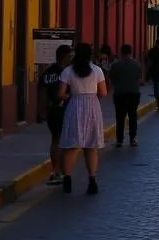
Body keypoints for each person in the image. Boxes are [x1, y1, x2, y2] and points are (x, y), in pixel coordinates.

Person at [57, 42, 107, 194]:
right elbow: (104, 93)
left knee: (71, 146)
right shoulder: (97, 70)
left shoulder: (68, 71)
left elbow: (60, 94)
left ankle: (67, 180)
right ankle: (92, 180)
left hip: (75, 105)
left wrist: (70, 96)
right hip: (92, 106)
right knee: (91, 146)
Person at [38, 44, 71, 185]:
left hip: (52, 110)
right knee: (64, 142)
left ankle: (57, 170)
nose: (72, 58)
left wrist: (43, 111)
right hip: (65, 110)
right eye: (70, 56)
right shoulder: (67, 73)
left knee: (55, 140)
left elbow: (43, 94)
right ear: (64, 57)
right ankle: (60, 171)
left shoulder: (47, 73)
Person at [109, 44, 143, 147]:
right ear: (131, 52)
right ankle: (132, 138)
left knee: (120, 117)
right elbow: (139, 78)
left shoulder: (115, 65)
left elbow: (112, 80)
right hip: (133, 93)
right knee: (133, 116)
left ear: (121, 52)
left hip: (120, 94)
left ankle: (119, 140)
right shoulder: (137, 64)